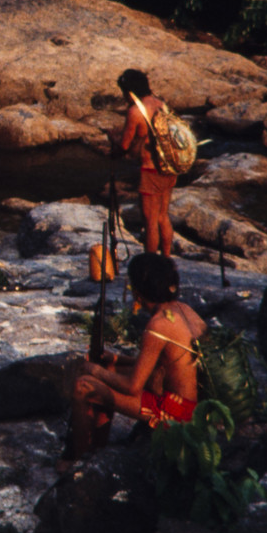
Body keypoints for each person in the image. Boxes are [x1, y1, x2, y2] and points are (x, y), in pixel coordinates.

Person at [60, 254, 207, 470]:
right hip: (195, 405)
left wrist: (93, 370)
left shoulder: (158, 325)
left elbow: (132, 387)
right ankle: (96, 448)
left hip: (178, 414)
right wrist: (116, 360)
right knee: (109, 368)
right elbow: (163, 363)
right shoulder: (184, 310)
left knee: (83, 386)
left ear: (137, 291)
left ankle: (78, 465)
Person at [116, 69, 176, 257]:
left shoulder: (135, 112)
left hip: (150, 171)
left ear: (130, 91)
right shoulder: (162, 105)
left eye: (124, 93)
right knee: (162, 217)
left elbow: (124, 145)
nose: (124, 97)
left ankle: (151, 263)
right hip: (169, 168)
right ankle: (166, 259)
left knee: (149, 222)